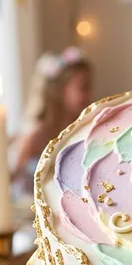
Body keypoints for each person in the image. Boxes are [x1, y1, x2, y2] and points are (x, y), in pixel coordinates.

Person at [13, 47, 93, 185]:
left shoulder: (82, 126)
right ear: (60, 91)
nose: (90, 95)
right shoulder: (36, 132)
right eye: (83, 88)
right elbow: (13, 174)